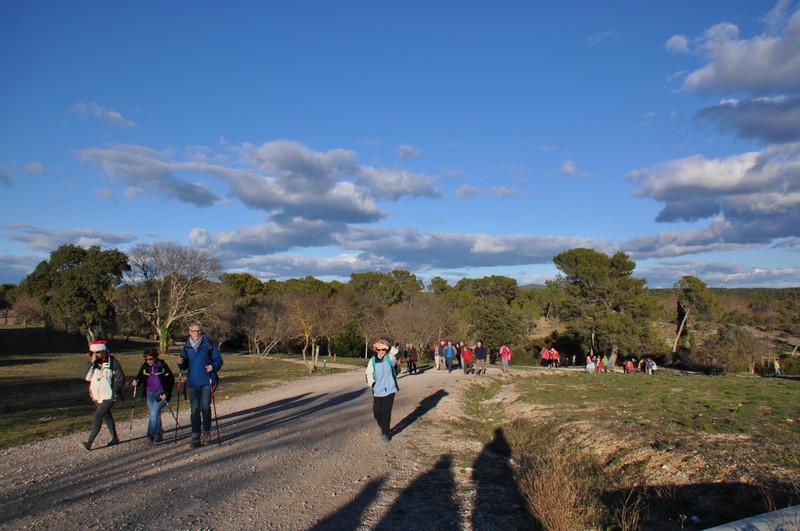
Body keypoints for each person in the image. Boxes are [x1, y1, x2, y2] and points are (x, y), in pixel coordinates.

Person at [177, 322, 223, 447]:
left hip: (207, 380)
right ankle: (195, 436)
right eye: (193, 331)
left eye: (198, 331)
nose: (196, 333)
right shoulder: (186, 346)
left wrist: (213, 366)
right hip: (193, 382)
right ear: (189, 332)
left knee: (205, 407)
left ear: (201, 331)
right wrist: (180, 363)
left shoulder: (209, 344)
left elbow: (219, 361)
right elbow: (184, 365)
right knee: (194, 410)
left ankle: (206, 433)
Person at [81, 340, 125, 451]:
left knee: (98, 415)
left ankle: (89, 443)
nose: (95, 355)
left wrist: (115, 391)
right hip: (97, 396)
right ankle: (115, 438)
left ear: (103, 352)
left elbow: (121, 378)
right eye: (93, 353)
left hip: (109, 396)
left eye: (97, 353)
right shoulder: (93, 364)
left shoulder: (112, 362)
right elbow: (85, 377)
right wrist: (91, 363)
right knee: (107, 416)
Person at [133, 347, 175, 444]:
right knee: (155, 413)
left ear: (155, 357)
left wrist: (166, 393)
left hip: (161, 393)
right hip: (149, 393)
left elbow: (171, 380)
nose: (148, 361)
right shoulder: (145, 367)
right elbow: (140, 377)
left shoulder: (162, 366)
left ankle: (150, 435)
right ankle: (158, 433)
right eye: (146, 359)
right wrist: (136, 381)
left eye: (150, 359)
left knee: (153, 413)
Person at [365, 339, 399, 442]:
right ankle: (381, 425)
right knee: (377, 412)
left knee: (386, 412)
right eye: (379, 349)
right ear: (376, 350)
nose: (381, 351)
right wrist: (373, 384)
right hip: (377, 390)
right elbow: (368, 374)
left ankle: (385, 432)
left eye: (383, 349)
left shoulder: (390, 358)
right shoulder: (373, 360)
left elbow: (399, 354)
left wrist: (388, 347)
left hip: (390, 389)